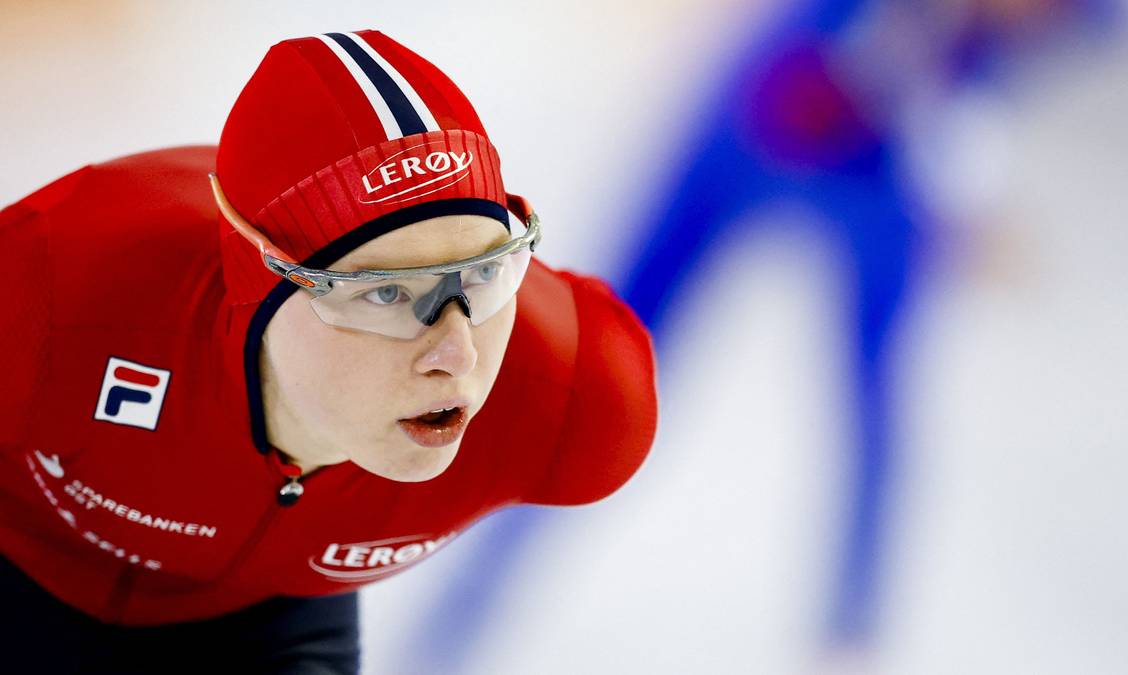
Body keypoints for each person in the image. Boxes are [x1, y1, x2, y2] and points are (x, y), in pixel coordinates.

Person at [0, 29, 658, 674]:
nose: (456, 352)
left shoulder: (577, 395)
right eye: (387, 292)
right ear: (259, 279)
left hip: (266, 619)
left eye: (485, 273)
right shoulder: (50, 298)